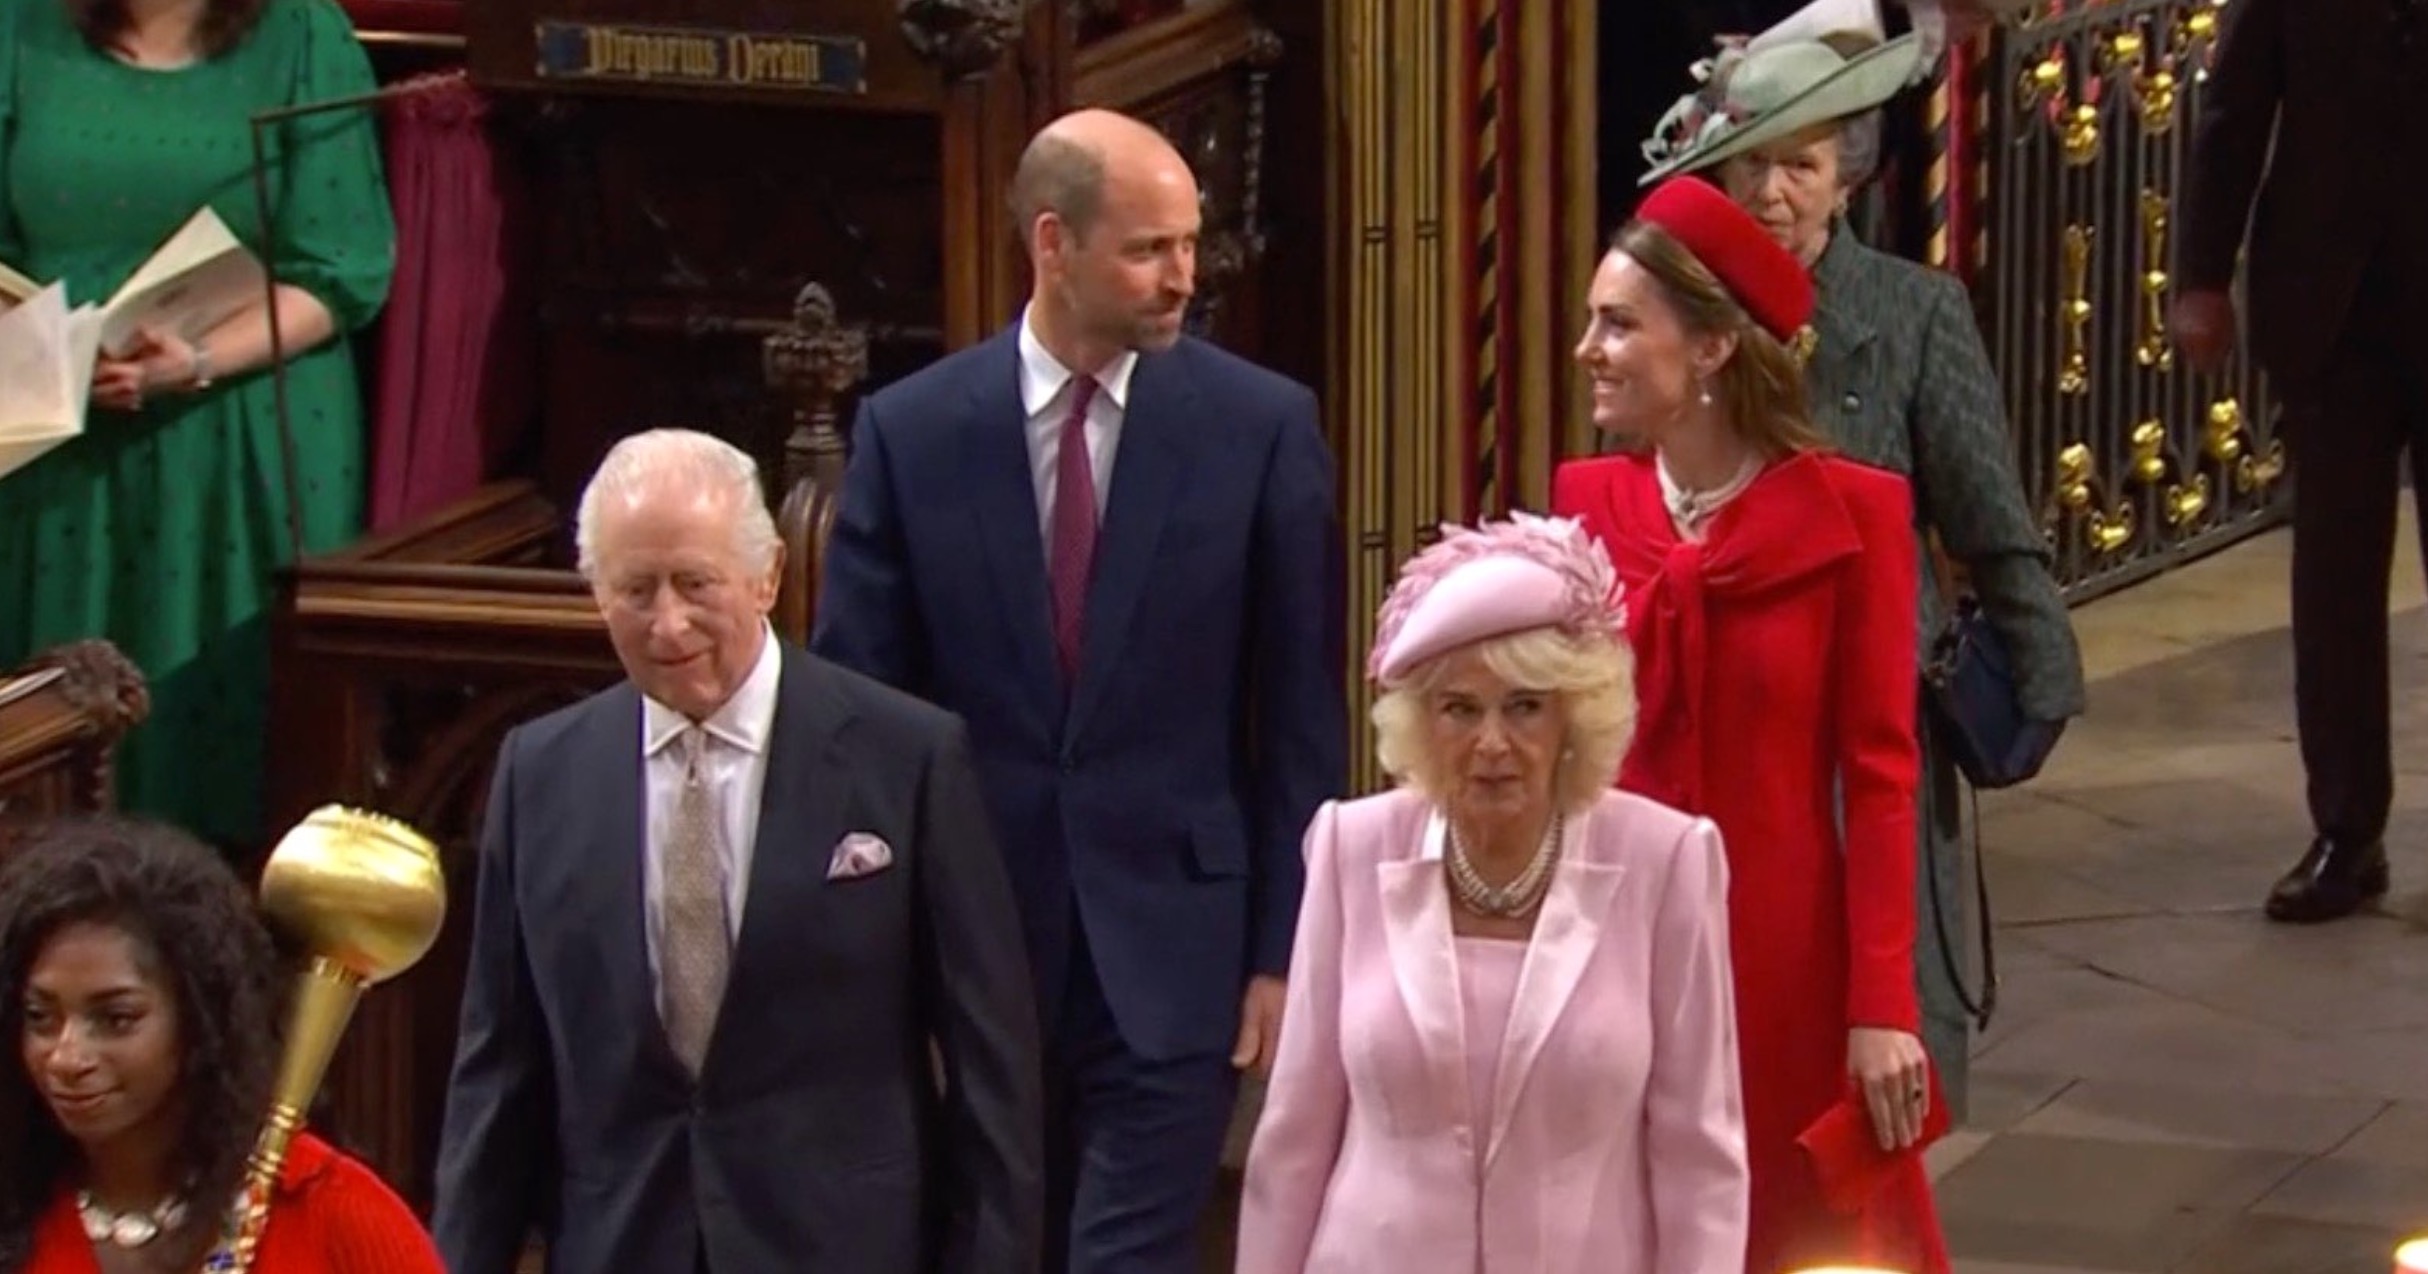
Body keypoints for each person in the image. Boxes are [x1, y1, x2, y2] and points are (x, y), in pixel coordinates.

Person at [812, 108, 1346, 1273]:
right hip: (980, 943)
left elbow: (1299, 711)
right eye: (1150, 249)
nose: (1183, 278)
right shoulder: (914, 434)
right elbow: (857, 715)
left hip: (1179, 942)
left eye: (1190, 245)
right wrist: (880, 948)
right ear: (1052, 245)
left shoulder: (1260, 429)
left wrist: (1281, 947)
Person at [431, 429, 1042, 1274]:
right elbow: (496, 1075)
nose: (667, 622)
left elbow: (991, 1073)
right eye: (634, 589)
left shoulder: (907, 759)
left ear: (768, 577)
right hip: (621, 1245)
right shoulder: (538, 774)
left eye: (695, 583)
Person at [1636, 30, 2086, 1112]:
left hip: (1869, 704)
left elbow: (1989, 515)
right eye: (1753, 163)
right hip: (1722, 698)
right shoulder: (1682, 313)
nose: (1774, 190)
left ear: (1847, 177)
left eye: (1802, 164)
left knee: (1876, 990)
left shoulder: (1910, 311)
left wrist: (2039, 674)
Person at [1551, 175, 1949, 1274]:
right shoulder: (1584, 505)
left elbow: (1879, 780)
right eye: (1593, 318)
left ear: (1715, 347)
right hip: (1610, 947)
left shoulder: (1852, 515)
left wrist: (1881, 1005)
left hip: (1780, 960)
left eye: (1619, 322)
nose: (1588, 346)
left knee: (1796, 1235)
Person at [1235, 514, 1748, 1274]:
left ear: (1574, 714)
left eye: (1524, 706)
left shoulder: (1666, 860)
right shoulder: (1352, 846)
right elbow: (1295, 1136)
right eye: (1460, 709)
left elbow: (1698, 1154)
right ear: (1420, 722)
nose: (1493, 744)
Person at [0, 0, 396, 851]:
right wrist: (54, 350)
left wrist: (197, 359)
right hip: (52, 433)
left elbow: (337, 271)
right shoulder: (17, 29)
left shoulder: (303, 36)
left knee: (227, 743)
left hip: (238, 434)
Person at [2171, 0, 2422, 924]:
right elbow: (2235, 108)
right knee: (2334, 590)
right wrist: (2201, 274)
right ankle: (2348, 834)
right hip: (2331, 308)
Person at [0, 814, 443, 1273]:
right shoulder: (17, 1199)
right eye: (40, 1018)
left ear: (200, 1019)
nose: (66, 1057)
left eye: (116, 1019)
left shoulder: (331, 1210)